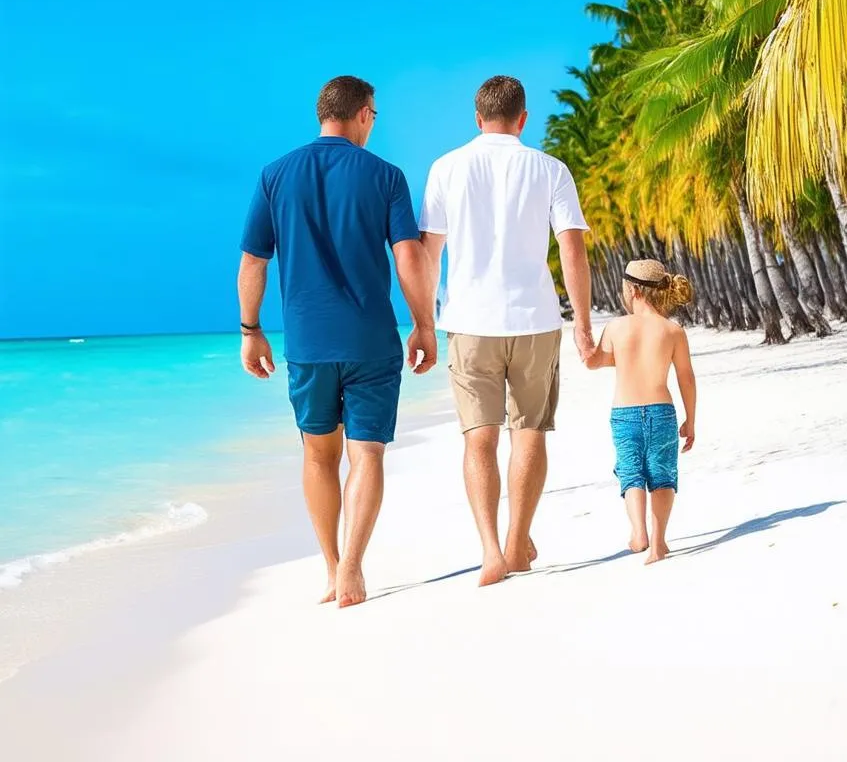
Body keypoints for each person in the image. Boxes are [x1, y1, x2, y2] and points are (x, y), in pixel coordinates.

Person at [237, 75, 437, 608]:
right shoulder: (385, 176)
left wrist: (250, 331)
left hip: (307, 343)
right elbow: (409, 255)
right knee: (366, 452)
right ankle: (353, 568)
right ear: (364, 114)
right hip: (371, 338)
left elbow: (254, 260)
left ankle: (331, 568)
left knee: (318, 456)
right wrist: (424, 324)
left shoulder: (275, 175)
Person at [419, 75, 594, 586]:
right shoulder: (549, 169)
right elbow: (572, 248)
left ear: (477, 118)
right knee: (530, 433)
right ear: (522, 119)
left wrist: (425, 323)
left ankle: (492, 551)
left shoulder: (446, 168)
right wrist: (582, 324)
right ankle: (519, 542)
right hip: (536, 320)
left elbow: (429, 251)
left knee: (479, 441)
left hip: (469, 322)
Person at [585, 259, 697, 564]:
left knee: (631, 472)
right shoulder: (673, 330)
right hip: (662, 411)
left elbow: (596, 362)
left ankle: (639, 532)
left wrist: (585, 345)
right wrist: (691, 420)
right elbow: (686, 377)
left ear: (632, 290)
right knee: (662, 475)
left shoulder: (617, 327)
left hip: (624, 414)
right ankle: (659, 544)